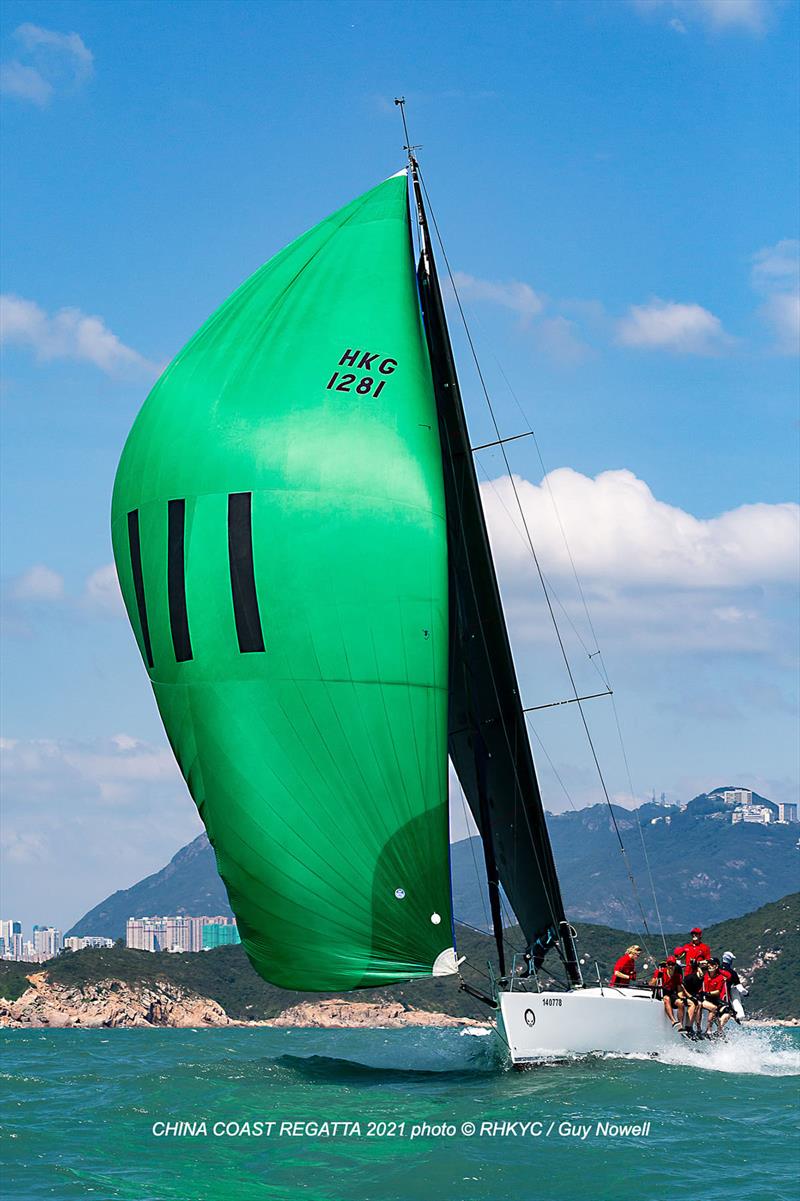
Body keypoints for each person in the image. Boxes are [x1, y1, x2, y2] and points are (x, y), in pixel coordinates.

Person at [649, 955, 683, 1027]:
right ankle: (673, 1021)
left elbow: (679, 990)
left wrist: (683, 998)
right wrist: (657, 978)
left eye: (672, 964)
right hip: (660, 991)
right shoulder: (660, 972)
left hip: (671, 992)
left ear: (675, 965)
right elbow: (651, 984)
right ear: (666, 965)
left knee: (680, 1003)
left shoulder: (677, 976)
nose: (670, 966)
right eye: (669, 964)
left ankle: (681, 1024)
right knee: (666, 999)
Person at [700, 957, 728, 1036]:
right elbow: (697, 966)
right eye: (708, 964)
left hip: (713, 999)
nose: (709, 966)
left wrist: (708, 993)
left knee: (727, 1013)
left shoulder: (720, 978)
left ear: (716, 966)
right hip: (702, 998)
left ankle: (719, 1030)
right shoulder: (704, 974)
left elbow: (717, 992)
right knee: (713, 1008)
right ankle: (708, 1029)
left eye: (712, 964)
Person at [677, 958, 704, 1034]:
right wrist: (689, 997)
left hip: (692, 995)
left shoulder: (701, 978)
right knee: (695, 1003)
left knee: (699, 1004)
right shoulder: (689, 977)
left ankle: (695, 1027)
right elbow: (682, 987)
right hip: (684, 995)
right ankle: (688, 1026)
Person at [720, 951, 748, 1026]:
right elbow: (739, 987)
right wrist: (746, 993)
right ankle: (720, 1029)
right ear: (730, 960)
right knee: (729, 1012)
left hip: (712, 995)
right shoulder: (732, 973)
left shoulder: (715, 969)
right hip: (724, 997)